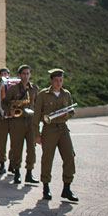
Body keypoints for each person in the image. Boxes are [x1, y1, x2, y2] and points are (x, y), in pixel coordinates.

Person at [32, 68, 78, 202]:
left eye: (61, 80)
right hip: (49, 129)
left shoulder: (66, 94)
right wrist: (36, 134)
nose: (59, 83)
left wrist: (66, 115)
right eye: (56, 80)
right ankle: (46, 188)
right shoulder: (43, 95)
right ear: (51, 81)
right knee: (47, 158)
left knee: (69, 156)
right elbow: (36, 117)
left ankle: (67, 188)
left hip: (63, 128)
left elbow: (71, 111)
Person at [3, 64, 40, 184]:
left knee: (31, 148)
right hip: (17, 122)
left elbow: (38, 104)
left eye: (28, 74)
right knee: (16, 148)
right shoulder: (13, 89)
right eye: (23, 74)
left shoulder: (34, 88)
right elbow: (5, 103)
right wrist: (10, 110)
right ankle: (17, 173)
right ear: (19, 75)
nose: (26, 76)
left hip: (31, 122)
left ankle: (29, 173)